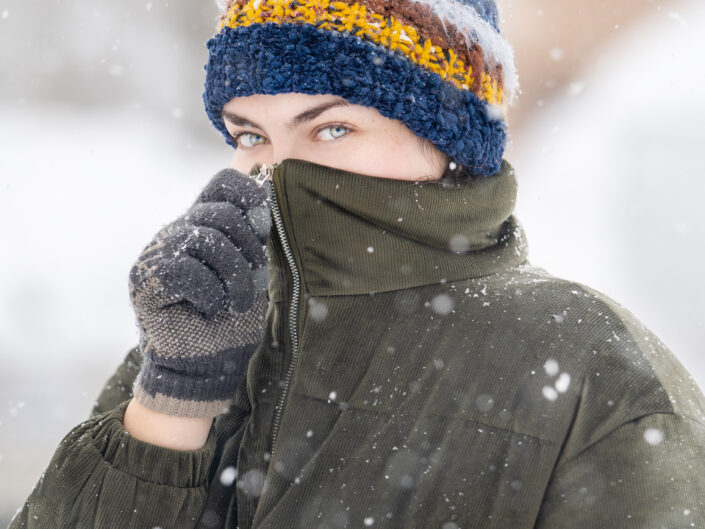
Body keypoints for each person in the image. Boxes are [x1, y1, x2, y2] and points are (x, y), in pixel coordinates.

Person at [8, 0, 705, 527]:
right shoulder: (209, 340)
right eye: (249, 133)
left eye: (332, 127)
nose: (274, 171)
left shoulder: (588, 360)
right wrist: (170, 409)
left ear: (450, 140)